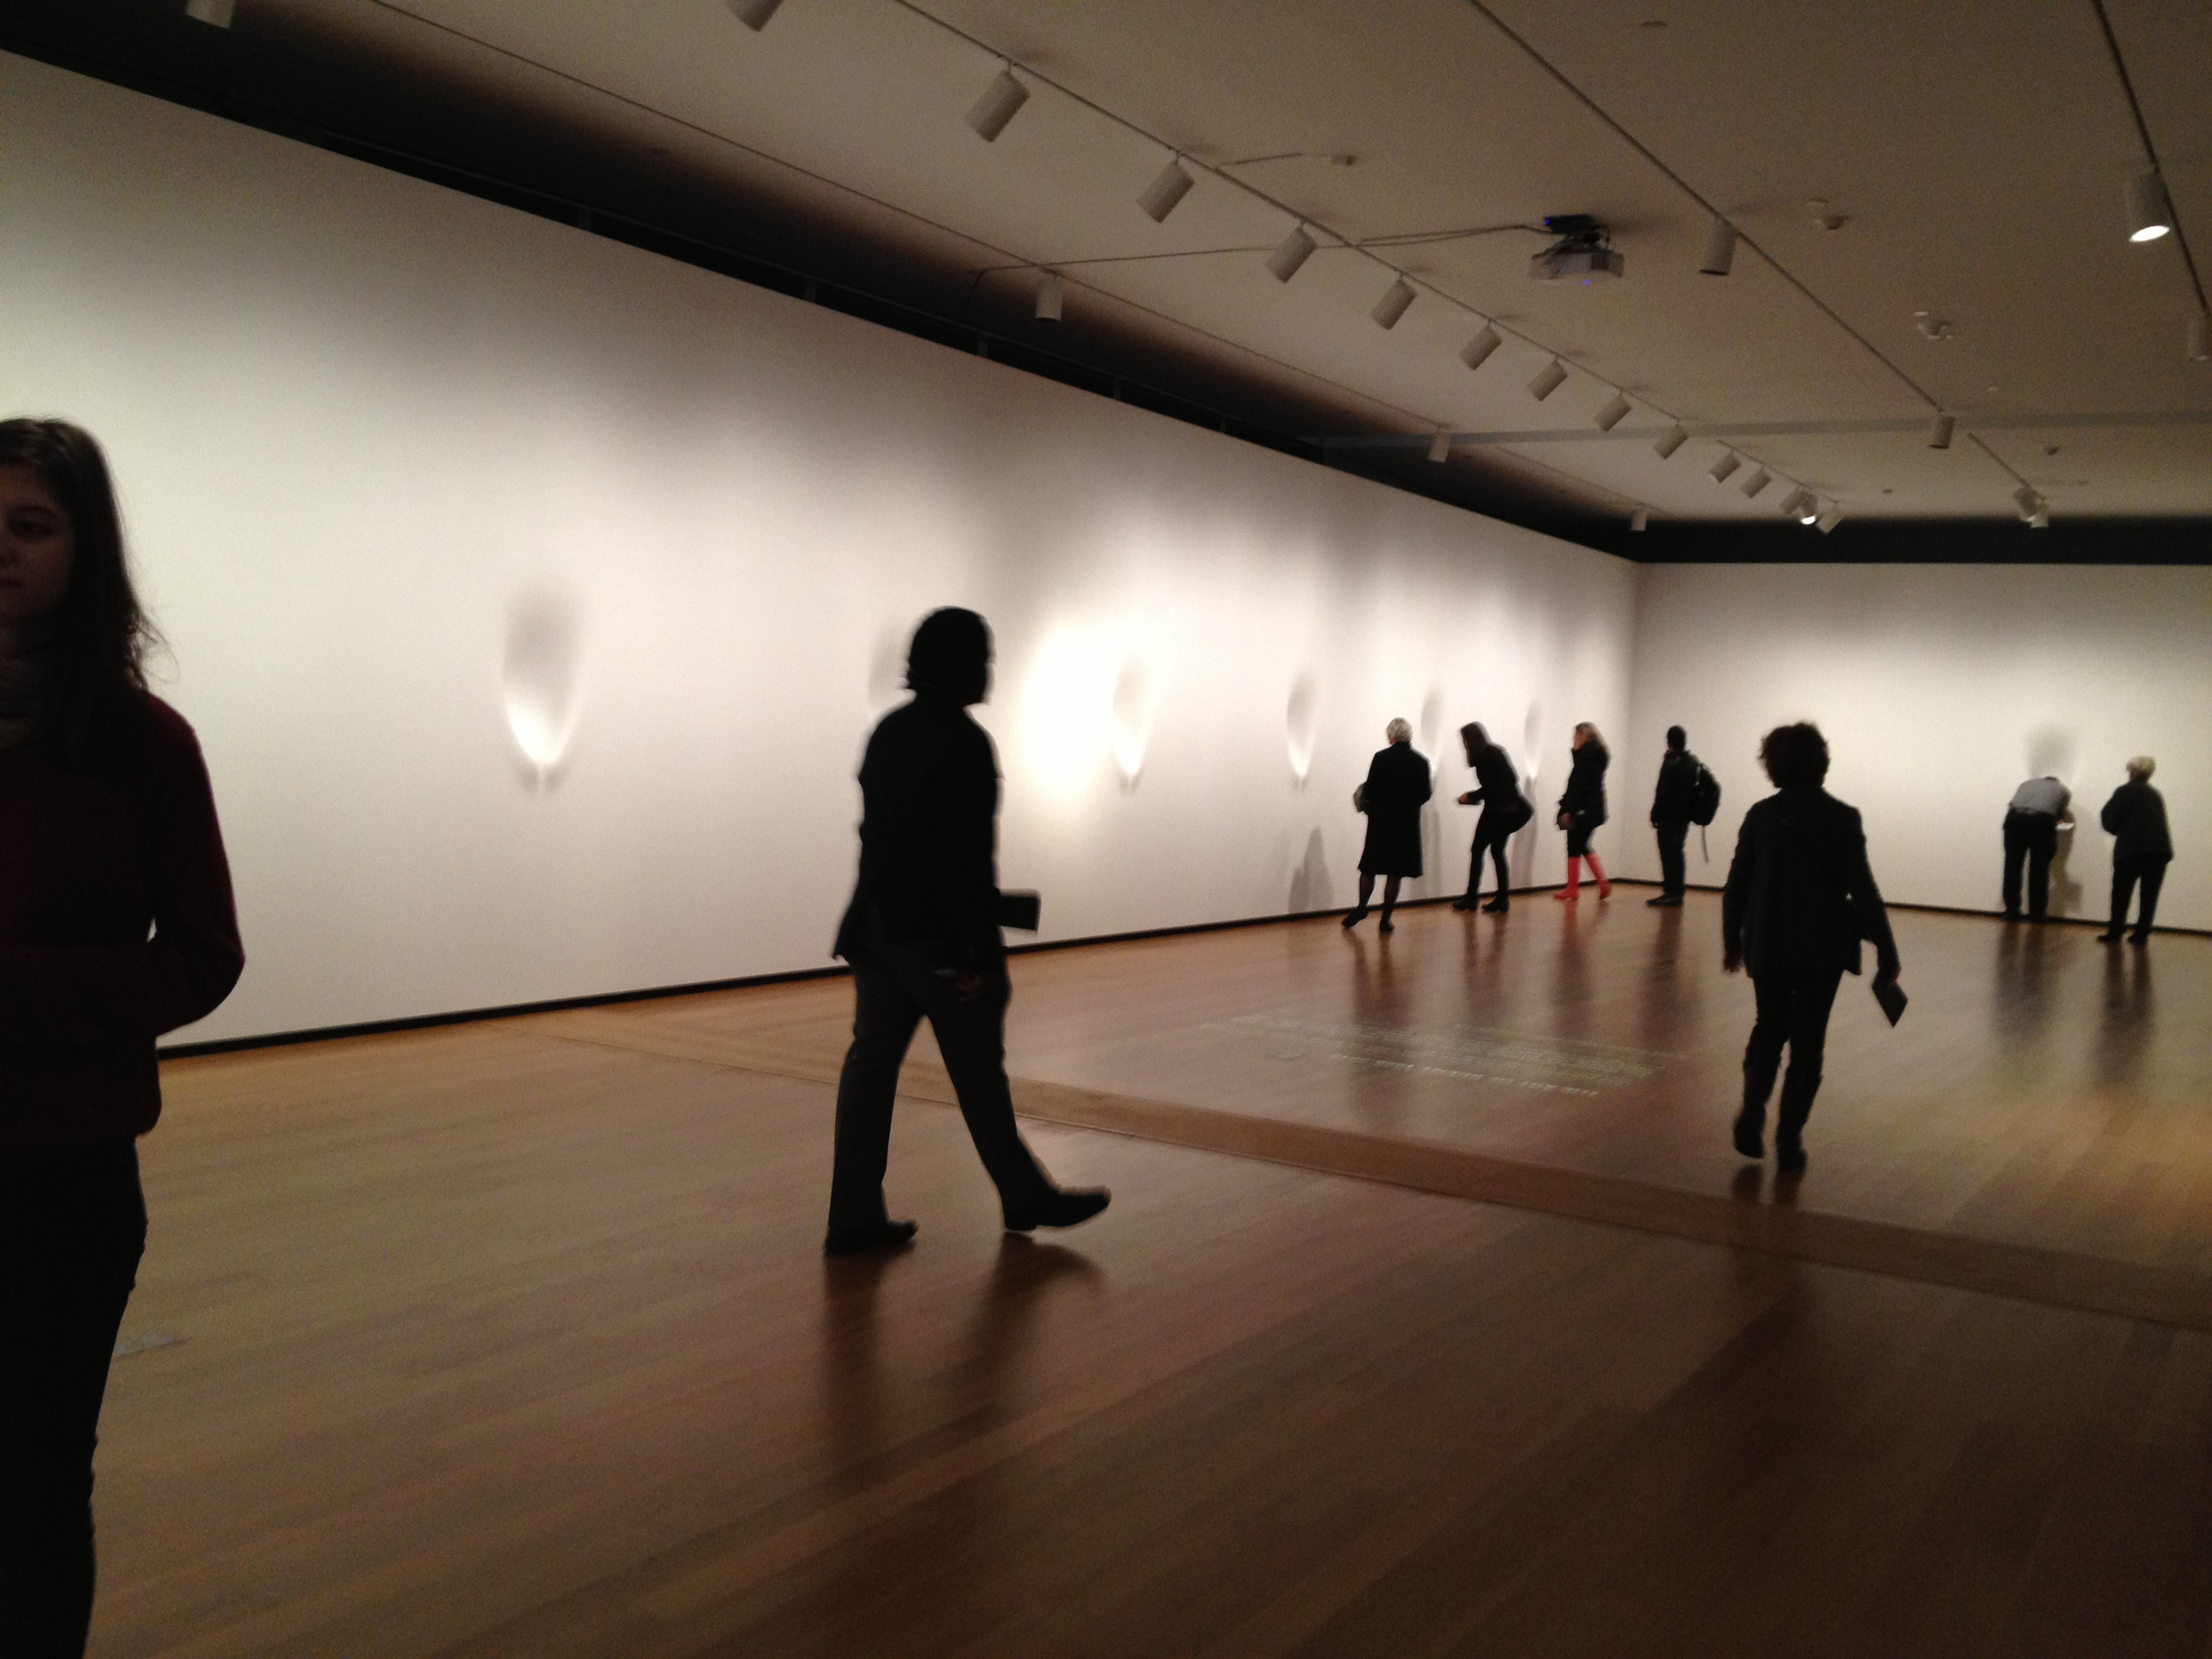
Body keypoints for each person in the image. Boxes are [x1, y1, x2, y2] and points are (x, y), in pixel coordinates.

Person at [0, 419, 244, 1658]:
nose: (0, 550)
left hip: (60, 1187)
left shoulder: (145, 747)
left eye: (30, 525)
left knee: (34, 1484)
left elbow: (205, 955)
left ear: (86, 550)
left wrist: (29, 992)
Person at [825, 607, 1107, 1255]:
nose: (989, 671)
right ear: (961, 667)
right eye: (984, 659)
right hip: (932, 937)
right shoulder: (964, 743)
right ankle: (1024, 1194)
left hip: (876, 927)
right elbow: (965, 862)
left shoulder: (888, 732)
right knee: (979, 1068)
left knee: (870, 1068)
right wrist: (976, 956)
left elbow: (881, 838)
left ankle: (854, 1214)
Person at [1721, 722, 1898, 1173]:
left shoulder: (1762, 815)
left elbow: (1737, 883)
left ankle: (1752, 1112)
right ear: (1821, 761)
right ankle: (1789, 1138)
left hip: (1769, 941)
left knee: (1769, 1025)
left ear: (1774, 764)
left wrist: (1731, 940)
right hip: (1824, 944)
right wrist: (1887, 950)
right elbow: (1864, 890)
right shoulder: (1843, 817)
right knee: (1809, 1038)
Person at [1344, 718, 1431, 933]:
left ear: (1391, 736)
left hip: (1380, 822)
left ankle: (1362, 908)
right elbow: (1426, 793)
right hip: (1406, 824)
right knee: (1395, 872)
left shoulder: (1381, 758)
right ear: (1409, 736)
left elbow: (1370, 789)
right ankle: (1386, 919)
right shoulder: (1421, 761)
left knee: (1369, 868)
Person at [1451, 722, 1530, 914]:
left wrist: (1471, 796)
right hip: (1509, 810)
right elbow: (1509, 780)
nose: (1463, 744)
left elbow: (1492, 788)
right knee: (1497, 852)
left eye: (1464, 740)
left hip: (1497, 812)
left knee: (1478, 850)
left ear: (1470, 740)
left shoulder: (1485, 758)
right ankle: (1501, 899)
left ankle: (1472, 898)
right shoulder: (1495, 752)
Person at [2097, 757, 2171, 945]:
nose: (2128, 773)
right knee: (2149, 895)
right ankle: (2141, 934)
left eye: (2129, 770)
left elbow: (2109, 818)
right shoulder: (2155, 794)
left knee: (2121, 893)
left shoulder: (2125, 791)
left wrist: (2118, 830)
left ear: (2134, 772)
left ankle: (2115, 931)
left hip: (2131, 850)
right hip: (2159, 850)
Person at [1553, 722, 1612, 902]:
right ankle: (1601, 884)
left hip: (1583, 810)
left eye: (1575, 735)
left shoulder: (1586, 756)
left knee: (1574, 845)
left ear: (1583, 735)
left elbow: (1578, 786)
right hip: (1593, 809)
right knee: (1582, 844)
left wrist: (1568, 810)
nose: (1573, 739)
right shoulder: (1595, 755)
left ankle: (1574, 888)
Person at [2001, 773, 2070, 922]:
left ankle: (2012, 911)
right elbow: (2059, 817)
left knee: (2012, 866)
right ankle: (2037, 913)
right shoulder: (2062, 790)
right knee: (2039, 868)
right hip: (2041, 821)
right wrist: (2061, 827)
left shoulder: (2027, 784)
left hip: (2014, 819)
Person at [1647, 724, 1702, 907]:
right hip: (1684, 817)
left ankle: (1670, 893)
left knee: (1668, 854)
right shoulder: (1692, 762)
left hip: (1668, 817)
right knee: (1677, 853)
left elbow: (1662, 791)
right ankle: (1677, 893)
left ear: (1669, 742)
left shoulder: (1671, 762)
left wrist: (1655, 814)